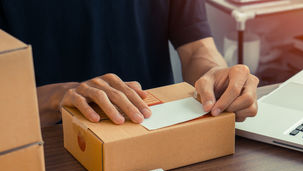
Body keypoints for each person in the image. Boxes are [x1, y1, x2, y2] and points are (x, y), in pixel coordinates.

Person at [0, 0, 258, 126]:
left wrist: (217, 77)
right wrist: (58, 97)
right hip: (49, 146)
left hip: (155, 133)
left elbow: (197, 49)